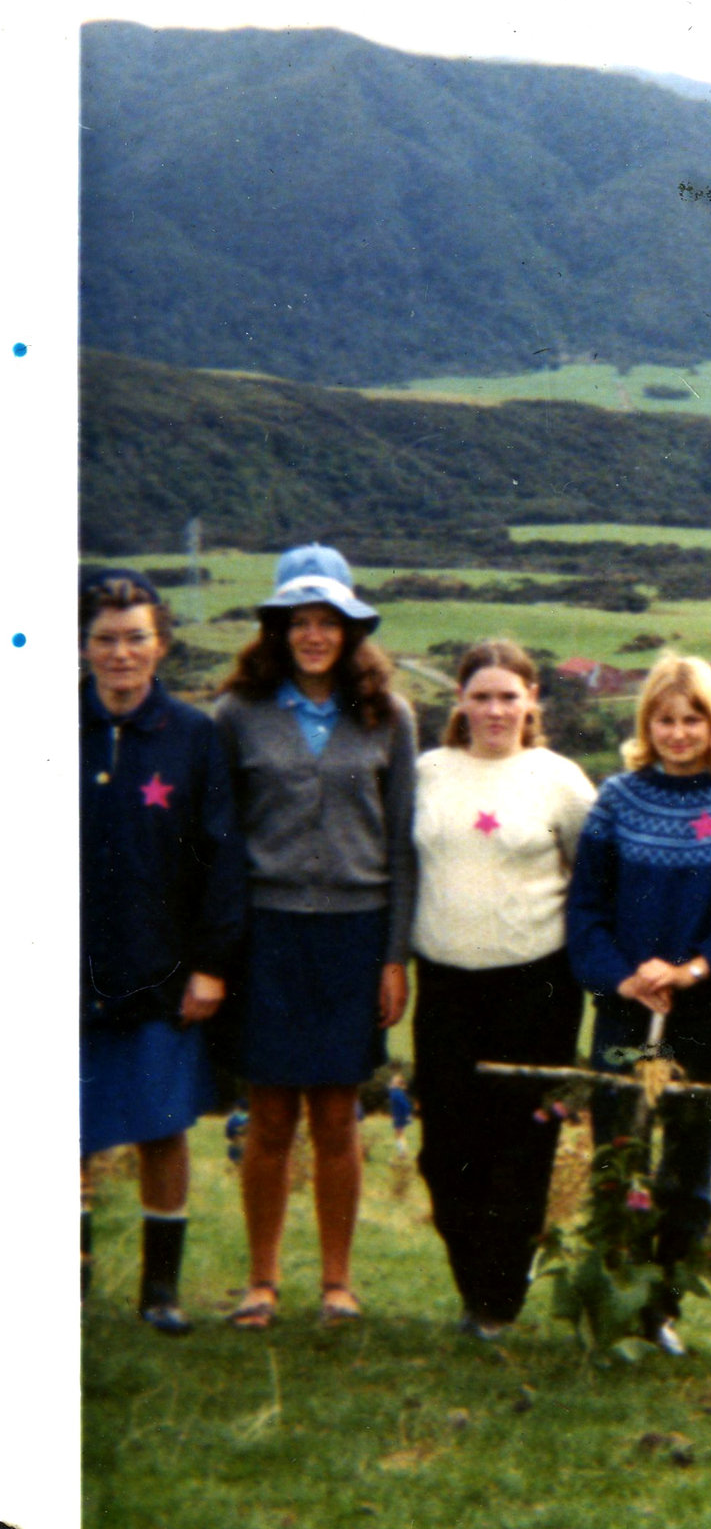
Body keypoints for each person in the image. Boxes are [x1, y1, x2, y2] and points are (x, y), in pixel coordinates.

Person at [213, 545, 417, 1328]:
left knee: (337, 1116)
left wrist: (393, 955)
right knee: (268, 1118)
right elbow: (221, 842)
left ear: (351, 628)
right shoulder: (238, 714)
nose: (312, 634)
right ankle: (260, 1281)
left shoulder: (388, 715)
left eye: (327, 620)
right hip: (266, 937)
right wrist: (221, 952)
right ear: (276, 627)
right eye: (298, 620)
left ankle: (338, 1282)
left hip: (354, 936)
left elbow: (400, 844)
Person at [566, 653, 711, 1356]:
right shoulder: (618, 798)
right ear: (645, 723)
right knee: (620, 1148)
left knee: (690, 1162)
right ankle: (611, 1297)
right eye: (665, 718)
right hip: (628, 1007)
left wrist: (691, 968)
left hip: (706, 1009)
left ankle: (662, 1307)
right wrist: (622, 977)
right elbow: (586, 907)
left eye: (693, 719)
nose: (679, 732)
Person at [410, 641, 596, 1338]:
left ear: (532, 700)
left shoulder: (561, 780)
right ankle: (477, 1284)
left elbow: (593, 873)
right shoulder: (428, 773)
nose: (494, 709)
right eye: (481, 695)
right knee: (446, 1148)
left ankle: (496, 1302)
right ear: (459, 699)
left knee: (519, 1146)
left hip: (535, 987)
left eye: (507, 696)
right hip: (446, 985)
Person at [79, 568, 246, 1333]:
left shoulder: (194, 734)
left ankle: (161, 1291)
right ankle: (67, 1282)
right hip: (65, 967)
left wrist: (211, 966)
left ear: (162, 644)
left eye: (136, 638)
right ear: (83, 646)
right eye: (106, 639)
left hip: (162, 964)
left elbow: (222, 857)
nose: (121, 653)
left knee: (162, 1124)